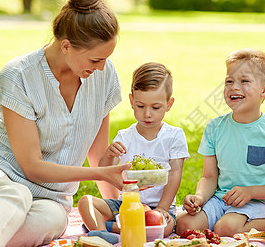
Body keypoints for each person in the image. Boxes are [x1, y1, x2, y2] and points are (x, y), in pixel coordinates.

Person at [0, 0, 130, 247]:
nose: (101, 68)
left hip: (51, 199)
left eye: (105, 60)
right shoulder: (19, 76)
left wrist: (119, 209)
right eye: (95, 60)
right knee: (16, 195)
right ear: (66, 46)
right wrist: (100, 174)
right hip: (0, 178)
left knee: (54, 220)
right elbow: (32, 167)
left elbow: (99, 157)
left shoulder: (103, 74)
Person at [176, 48, 265, 237]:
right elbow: (209, 176)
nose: (234, 87)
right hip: (222, 198)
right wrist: (199, 198)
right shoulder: (215, 128)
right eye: (229, 81)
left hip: (256, 201)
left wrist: (250, 192)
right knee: (183, 224)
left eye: (244, 81)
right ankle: (225, 219)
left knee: (225, 229)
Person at [78, 62, 190, 237]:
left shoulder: (174, 136)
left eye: (155, 107)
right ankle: (102, 231)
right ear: (131, 101)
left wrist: (162, 208)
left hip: (157, 206)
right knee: (86, 202)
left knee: (163, 228)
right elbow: (104, 170)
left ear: (169, 104)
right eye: (140, 106)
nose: (147, 114)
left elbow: (175, 173)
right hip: (126, 205)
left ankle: (108, 228)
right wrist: (109, 154)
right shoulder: (125, 136)